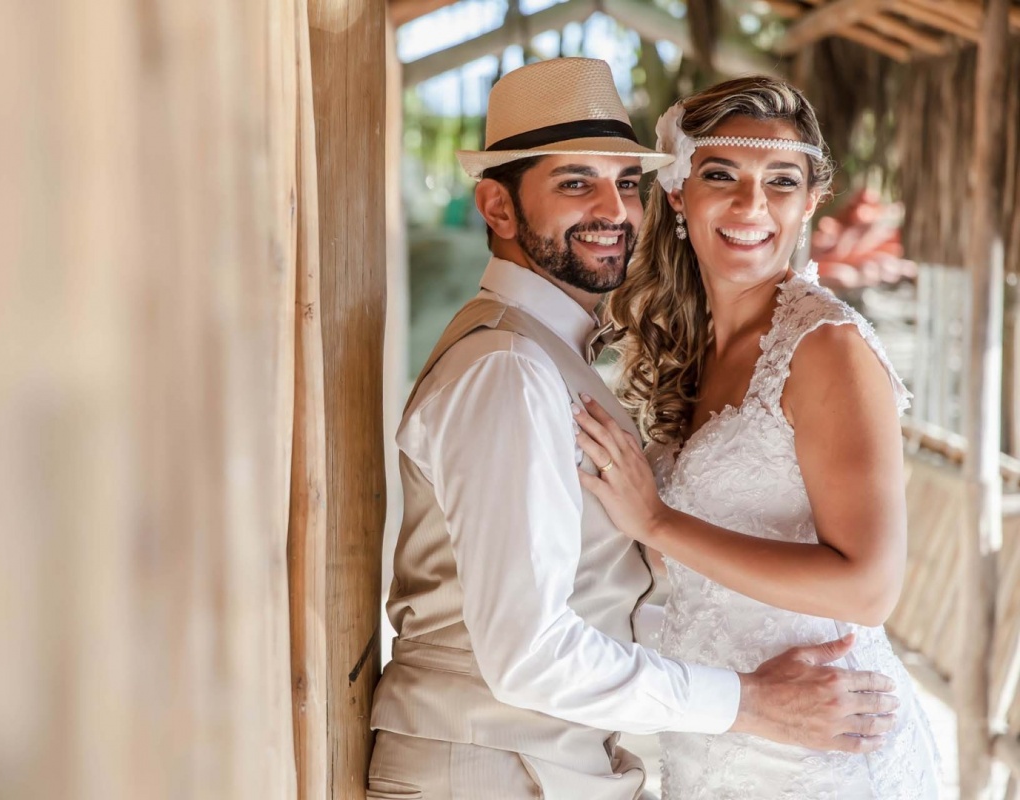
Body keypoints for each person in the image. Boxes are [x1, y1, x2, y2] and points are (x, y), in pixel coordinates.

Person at [368, 59, 901, 800]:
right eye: (575, 183)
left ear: (811, 200)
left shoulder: (811, 347)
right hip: (499, 766)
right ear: (496, 207)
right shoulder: (513, 366)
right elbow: (530, 650)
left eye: (624, 182)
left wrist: (659, 528)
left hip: (800, 734)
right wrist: (745, 701)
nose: (612, 209)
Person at [574, 75, 940, 797]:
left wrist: (656, 520)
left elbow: (868, 589)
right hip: (724, 734)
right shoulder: (695, 346)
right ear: (677, 194)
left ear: (810, 202)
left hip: (822, 754)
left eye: (781, 181)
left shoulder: (826, 347)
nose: (751, 205)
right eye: (722, 175)